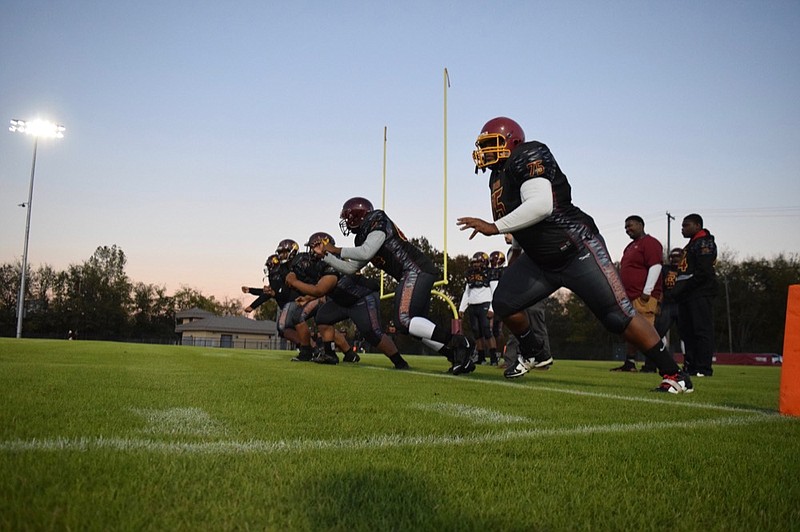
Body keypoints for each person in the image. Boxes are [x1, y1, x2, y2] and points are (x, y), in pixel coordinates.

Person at [457, 116, 693, 393]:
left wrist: (494, 227)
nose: (485, 152)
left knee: (618, 317)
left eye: (492, 144)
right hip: (541, 259)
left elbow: (541, 205)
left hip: (576, 248)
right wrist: (517, 252)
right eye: (483, 146)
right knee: (505, 302)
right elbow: (522, 223)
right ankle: (536, 353)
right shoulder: (497, 178)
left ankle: (675, 376)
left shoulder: (529, 153)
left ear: (513, 141)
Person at [321, 197, 474, 374]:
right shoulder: (362, 237)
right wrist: (325, 256)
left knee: (403, 320)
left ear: (357, 215)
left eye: (348, 218)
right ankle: (456, 356)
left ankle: (460, 342)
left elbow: (366, 252)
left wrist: (336, 249)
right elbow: (350, 267)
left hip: (414, 269)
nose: (346, 223)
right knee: (416, 328)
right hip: (411, 273)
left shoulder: (377, 219)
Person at [296, 231, 410, 369]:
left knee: (372, 334)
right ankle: (330, 354)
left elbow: (321, 289)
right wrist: (308, 297)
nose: (311, 251)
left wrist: (293, 281)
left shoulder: (332, 262)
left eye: (315, 246)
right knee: (323, 317)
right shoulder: (322, 263)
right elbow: (326, 289)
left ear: (326, 244)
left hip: (361, 299)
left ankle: (399, 362)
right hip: (342, 301)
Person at [611, 215, 664, 372]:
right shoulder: (630, 247)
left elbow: (655, 266)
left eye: (631, 225)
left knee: (647, 330)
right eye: (626, 227)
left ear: (641, 225)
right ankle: (630, 363)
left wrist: (647, 292)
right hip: (629, 296)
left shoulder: (650, 243)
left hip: (643, 296)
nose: (628, 229)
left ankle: (652, 364)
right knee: (631, 331)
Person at [672, 214, 717, 377]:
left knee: (701, 330)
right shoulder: (690, 245)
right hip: (686, 295)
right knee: (687, 331)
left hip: (699, 292)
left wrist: (684, 288)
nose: (683, 229)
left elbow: (704, 271)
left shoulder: (704, 241)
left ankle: (703, 368)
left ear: (697, 226)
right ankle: (691, 366)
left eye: (686, 225)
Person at [500, 234, 552, 369]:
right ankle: (510, 360)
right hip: (519, 291)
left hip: (536, 287)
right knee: (516, 324)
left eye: (508, 233)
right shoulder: (511, 251)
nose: (505, 236)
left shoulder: (532, 245)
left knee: (537, 323)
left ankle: (543, 359)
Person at [459, 252, 499, 365]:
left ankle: (493, 357)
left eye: (478, 262)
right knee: (476, 332)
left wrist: (492, 308)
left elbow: (495, 292)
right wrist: (462, 308)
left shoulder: (490, 274)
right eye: (474, 262)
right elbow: (467, 293)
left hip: (484, 305)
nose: (476, 265)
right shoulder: (470, 274)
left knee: (487, 331)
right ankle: (481, 357)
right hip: (473, 306)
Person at [650, 247, 685, 372]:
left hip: (682, 304)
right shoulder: (665, 269)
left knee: (686, 335)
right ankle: (653, 363)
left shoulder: (686, 270)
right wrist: (658, 303)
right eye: (673, 257)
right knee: (657, 334)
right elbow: (659, 286)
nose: (675, 259)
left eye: (678, 257)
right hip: (667, 304)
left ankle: (688, 363)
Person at [487, 250, 506, 353]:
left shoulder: (503, 272)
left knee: (497, 330)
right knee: (488, 330)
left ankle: (499, 352)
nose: (493, 263)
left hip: (499, 303)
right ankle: (494, 353)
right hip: (491, 303)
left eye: (494, 260)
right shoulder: (489, 272)